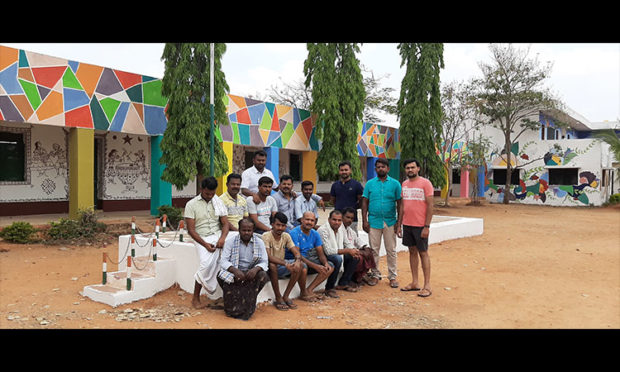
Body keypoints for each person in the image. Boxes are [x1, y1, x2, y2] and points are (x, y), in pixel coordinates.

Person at [184, 177, 230, 309]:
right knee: (206, 263)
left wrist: (222, 239)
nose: (210, 196)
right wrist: (205, 244)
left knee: (233, 250)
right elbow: (191, 231)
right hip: (201, 237)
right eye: (207, 194)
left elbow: (225, 224)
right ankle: (195, 297)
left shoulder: (218, 202)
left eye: (212, 193)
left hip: (217, 235)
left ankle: (228, 295)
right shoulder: (191, 204)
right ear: (201, 189)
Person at [361, 158, 402, 288]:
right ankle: (375, 275)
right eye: (378, 167)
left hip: (390, 221)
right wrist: (364, 220)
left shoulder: (395, 184)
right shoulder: (370, 184)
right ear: (375, 169)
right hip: (373, 221)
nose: (380, 169)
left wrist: (399, 223)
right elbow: (364, 202)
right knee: (374, 250)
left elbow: (400, 204)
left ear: (388, 169)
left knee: (391, 250)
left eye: (383, 167)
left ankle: (392, 276)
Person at [217, 218, 269, 320]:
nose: (246, 233)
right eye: (243, 230)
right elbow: (223, 261)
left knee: (263, 276)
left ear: (253, 230)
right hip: (236, 271)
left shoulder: (259, 242)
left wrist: (255, 269)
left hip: (251, 272)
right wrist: (234, 270)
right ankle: (232, 308)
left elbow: (264, 261)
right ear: (239, 230)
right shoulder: (230, 242)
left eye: (249, 230)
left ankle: (247, 306)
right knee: (221, 275)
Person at [397, 158, 434, 298]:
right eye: (407, 168)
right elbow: (402, 206)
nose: (410, 170)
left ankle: (427, 285)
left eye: (413, 167)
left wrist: (427, 226)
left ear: (418, 168)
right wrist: (399, 224)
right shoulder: (404, 184)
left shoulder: (426, 183)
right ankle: (415, 282)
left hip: (420, 225)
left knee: (423, 252)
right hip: (407, 225)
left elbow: (430, 205)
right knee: (412, 252)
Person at [262, 212, 306, 310]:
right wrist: (286, 264)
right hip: (267, 268)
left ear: (286, 226)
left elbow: (296, 253)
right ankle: (278, 297)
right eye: (278, 225)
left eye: (283, 225)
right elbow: (268, 257)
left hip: (281, 265)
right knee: (273, 265)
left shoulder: (286, 236)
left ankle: (286, 296)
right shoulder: (266, 236)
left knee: (301, 265)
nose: (280, 228)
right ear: (272, 224)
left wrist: (297, 261)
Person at [288, 211, 334, 301]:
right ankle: (303, 293)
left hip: (309, 259)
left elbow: (320, 254)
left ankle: (309, 290)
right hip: (295, 259)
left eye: (312, 220)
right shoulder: (294, 232)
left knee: (330, 266)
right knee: (303, 266)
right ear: (302, 220)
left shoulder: (315, 233)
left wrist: (325, 263)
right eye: (307, 219)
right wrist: (316, 266)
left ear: (315, 222)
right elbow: (297, 255)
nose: (309, 222)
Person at [317, 209, 361, 297]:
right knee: (337, 259)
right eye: (334, 220)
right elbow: (328, 251)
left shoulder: (340, 229)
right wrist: (348, 250)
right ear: (329, 219)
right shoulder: (323, 230)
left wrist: (353, 250)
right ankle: (329, 288)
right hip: (322, 256)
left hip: (334, 253)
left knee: (354, 256)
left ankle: (344, 283)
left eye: (339, 220)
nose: (337, 222)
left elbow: (347, 242)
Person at [342, 207, 378, 287]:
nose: (349, 220)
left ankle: (360, 277)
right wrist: (359, 251)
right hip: (341, 253)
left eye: (351, 218)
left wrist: (366, 248)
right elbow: (347, 245)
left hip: (351, 251)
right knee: (357, 256)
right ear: (342, 217)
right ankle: (348, 280)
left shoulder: (350, 230)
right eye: (347, 217)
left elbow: (359, 242)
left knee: (368, 252)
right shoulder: (339, 229)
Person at [330, 161, 364, 231]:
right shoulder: (335, 185)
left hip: (352, 219)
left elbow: (361, 200)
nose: (344, 172)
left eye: (346, 170)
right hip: (338, 219)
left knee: (352, 239)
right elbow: (333, 200)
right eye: (342, 170)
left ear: (350, 171)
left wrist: (354, 207)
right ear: (339, 171)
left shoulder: (356, 185)